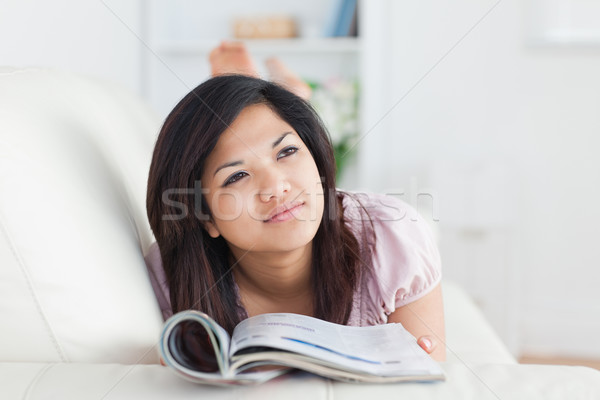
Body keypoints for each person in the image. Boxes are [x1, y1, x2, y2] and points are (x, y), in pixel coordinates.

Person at [145, 41, 446, 361]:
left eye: (287, 152)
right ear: (205, 216)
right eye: (236, 176)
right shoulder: (172, 275)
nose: (276, 187)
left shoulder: (392, 237)